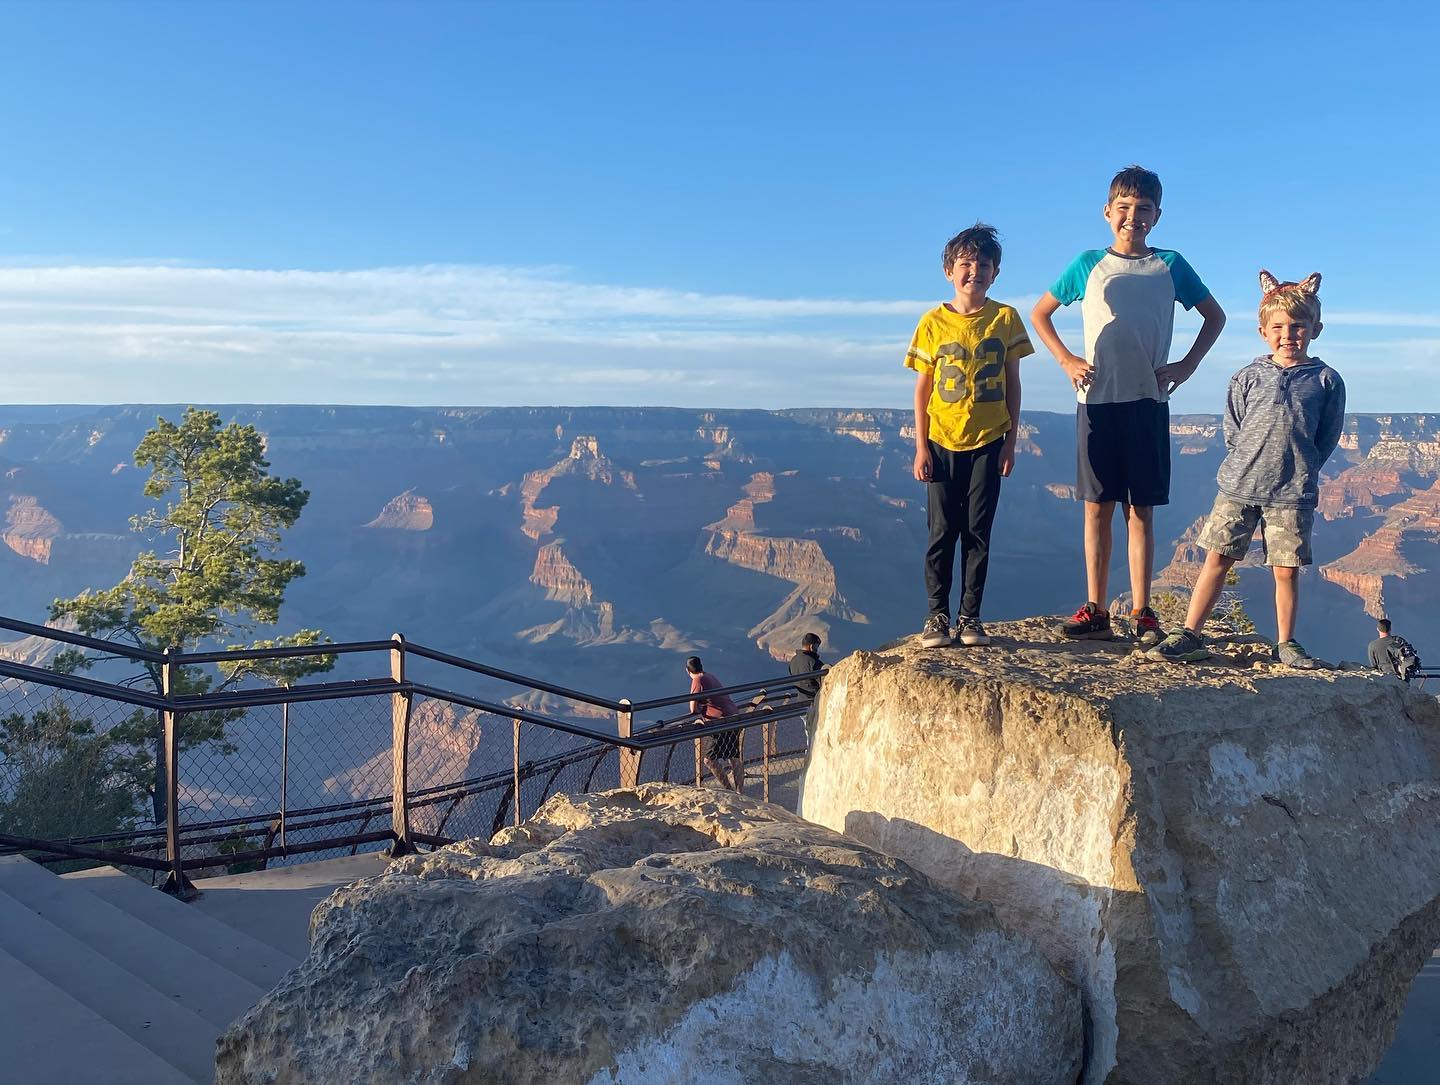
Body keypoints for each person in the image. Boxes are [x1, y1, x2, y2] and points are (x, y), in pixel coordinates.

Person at [1031, 165, 1227, 645]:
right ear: (1107, 212)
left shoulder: (1171, 264)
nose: (1132, 217)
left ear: (1157, 215)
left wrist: (1186, 366)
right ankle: (1096, 609)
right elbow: (1040, 313)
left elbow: (1214, 317)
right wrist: (1066, 360)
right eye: (1123, 209)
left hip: (1147, 400)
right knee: (1096, 507)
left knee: (1141, 510)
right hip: (1096, 400)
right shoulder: (1087, 264)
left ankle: (1142, 611)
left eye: (1143, 210)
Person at [1147, 271, 1345, 667]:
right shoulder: (1248, 376)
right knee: (1216, 560)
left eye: (1298, 326)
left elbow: (1327, 437)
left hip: (1292, 494)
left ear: (1315, 329)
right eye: (1278, 327)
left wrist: (1301, 471)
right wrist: (1248, 465)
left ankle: (1286, 643)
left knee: (1285, 570)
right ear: (1262, 331)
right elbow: (1232, 428)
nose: (1288, 334)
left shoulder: (1326, 380)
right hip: (1238, 487)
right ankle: (1190, 633)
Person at [906, 222, 1034, 649]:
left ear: (995, 272)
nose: (974, 271)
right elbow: (923, 386)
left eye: (983, 264)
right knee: (942, 532)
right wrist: (921, 446)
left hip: (989, 440)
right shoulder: (931, 322)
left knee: (978, 532)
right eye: (965, 263)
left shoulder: (1005, 318)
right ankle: (936, 616)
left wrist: (1012, 441)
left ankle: (970, 617)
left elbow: (1013, 382)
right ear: (949, 270)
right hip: (941, 441)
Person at [687, 655, 743, 791]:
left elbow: (693, 707)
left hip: (720, 721)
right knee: (733, 756)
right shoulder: (709, 676)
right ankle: (741, 791)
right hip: (733, 717)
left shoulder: (697, 679)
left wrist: (701, 709)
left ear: (687, 671)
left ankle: (729, 790)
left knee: (709, 759)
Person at [788, 632, 825, 743]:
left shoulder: (793, 661)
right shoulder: (813, 662)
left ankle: (809, 753)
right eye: (817, 646)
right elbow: (823, 681)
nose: (817, 649)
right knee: (816, 734)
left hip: (801, 701)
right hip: (814, 703)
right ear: (812, 646)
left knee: (808, 732)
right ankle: (812, 755)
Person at [1369, 619, 1421, 683]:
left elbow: (1374, 666)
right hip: (1401, 679)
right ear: (1390, 629)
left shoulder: (1372, 645)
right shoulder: (1398, 640)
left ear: (1377, 629)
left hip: (1383, 680)